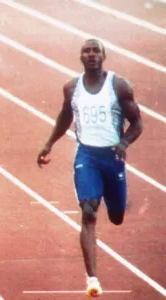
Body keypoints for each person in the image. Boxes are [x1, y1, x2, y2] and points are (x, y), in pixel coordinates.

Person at [37, 39, 143, 297]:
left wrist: (124, 142)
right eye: (87, 51)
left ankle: (117, 201)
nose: (92, 55)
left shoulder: (118, 86)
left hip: (112, 158)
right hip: (87, 157)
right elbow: (65, 116)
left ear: (104, 55)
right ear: (81, 57)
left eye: (96, 51)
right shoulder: (72, 88)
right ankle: (92, 278)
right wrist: (49, 143)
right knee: (88, 212)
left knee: (116, 217)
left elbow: (137, 122)